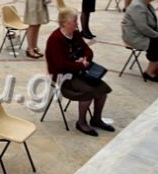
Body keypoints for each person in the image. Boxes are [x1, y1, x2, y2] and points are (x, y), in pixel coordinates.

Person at [45, 7, 114, 137]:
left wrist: (85, 59)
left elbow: (88, 51)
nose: (77, 23)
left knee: (103, 89)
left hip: (78, 71)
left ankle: (96, 119)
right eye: (74, 21)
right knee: (88, 91)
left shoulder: (75, 34)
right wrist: (80, 65)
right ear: (64, 23)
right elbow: (60, 65)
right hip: (63, 76)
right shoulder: (55, 39)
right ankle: (81, 122)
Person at [122, 0, 158, 82]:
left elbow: (153, 24)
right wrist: (157, 35)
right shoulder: (137, 6)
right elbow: (142, 28)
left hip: (145, 35)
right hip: (135, 37)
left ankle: (155, 70)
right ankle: (149, 72)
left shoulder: (147, 5)